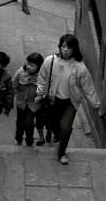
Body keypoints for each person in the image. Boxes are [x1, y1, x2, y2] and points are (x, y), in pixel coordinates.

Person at [36, 34, 101, 165]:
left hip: (69, 102)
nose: (65, 49)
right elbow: (42, 78)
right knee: (53, 125)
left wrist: (96, 104)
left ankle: (62, 153)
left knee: (66, 128)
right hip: (52, 100)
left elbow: (88, 87)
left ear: (74, 49)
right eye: (63, 46)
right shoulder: (50, 61)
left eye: (68, 47)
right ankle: (57, 134)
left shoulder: (79, 67)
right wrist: (40, 93)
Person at [12, 52, 44, 146]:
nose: (29, 66)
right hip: (21, 103)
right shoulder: (20, 72)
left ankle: (29, 141)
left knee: (29, 123)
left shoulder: (42, 76)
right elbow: (14, 85)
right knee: (20, 122)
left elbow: (44, 88)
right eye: (28, 63)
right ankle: (18, 139)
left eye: (32, 65)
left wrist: (40, 96)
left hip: (33, 104)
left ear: (38, 67)